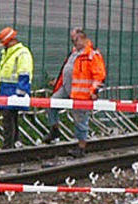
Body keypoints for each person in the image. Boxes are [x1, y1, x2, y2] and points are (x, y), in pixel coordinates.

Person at [42, 28, 106, 157]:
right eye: (72, 40)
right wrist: (59, 81)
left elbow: (99, 75)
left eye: (75, 40)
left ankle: (81, 147)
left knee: (80, 120)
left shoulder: (92, 55)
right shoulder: (74, 53)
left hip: (81, 94)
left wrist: (94, 91)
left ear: (83, 37)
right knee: (51, 104)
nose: (74, 43)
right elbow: (68, 70)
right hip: (66, 88)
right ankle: (55, 130)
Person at [0, 27, 34, 149]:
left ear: (12, 41)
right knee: (11, 120)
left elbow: (24, 73)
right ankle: (14, 144)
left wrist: (20, 95)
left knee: (8, 121)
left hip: (13, 92)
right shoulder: (9, 53)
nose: (4, 46)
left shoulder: (21, 53)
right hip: (7, 92)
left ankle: (8, 146)